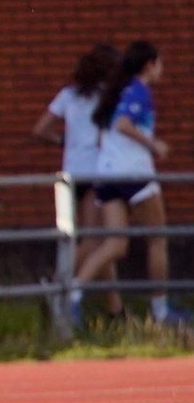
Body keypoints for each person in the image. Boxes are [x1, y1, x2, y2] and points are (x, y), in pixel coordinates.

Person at [72, 42, 179, 325]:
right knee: (158, 239)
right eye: (159, 64)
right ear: (148, 65)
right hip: (133, 173)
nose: (161, 70)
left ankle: (71, 294)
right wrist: (154, 144)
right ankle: (160, 312)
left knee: (115, 243)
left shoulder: (115, 92)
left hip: (106, 174)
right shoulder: (138, 91)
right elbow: (123, 124)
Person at [31, 44, 123, 324]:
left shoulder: (69, 95)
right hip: (97, 172)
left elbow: (40, 129)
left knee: (96, 241)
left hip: (71, 173)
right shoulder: (108, 98)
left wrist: (64, 142)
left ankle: (115, 311)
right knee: (97, 240)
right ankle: (57, 281)